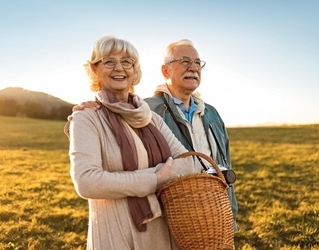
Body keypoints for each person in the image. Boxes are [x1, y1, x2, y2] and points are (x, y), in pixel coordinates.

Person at [70, 38, 239, 235]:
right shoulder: (149, 110)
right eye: (184, 61)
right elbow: (105, 130)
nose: (192, 67)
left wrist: (230, 211)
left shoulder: (212, 113)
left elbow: (221, 162)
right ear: (166, 71)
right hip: (169, 218)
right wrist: (158, 177)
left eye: (197, 62)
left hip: (214, 212)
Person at [67, 36, 195, 250]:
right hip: (116, 233)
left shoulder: (151, 118)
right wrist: (155, 179)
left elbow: (187, 162)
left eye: (127, 62)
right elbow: (87, 181)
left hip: (162, 231)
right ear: (95, 70)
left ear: (135, 71)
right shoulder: (86, 117)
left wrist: (145, 178)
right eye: (109, 61)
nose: (119, 68)